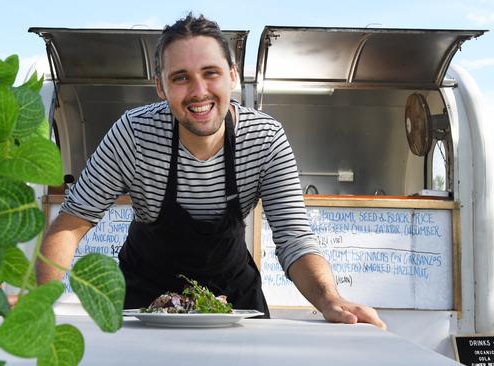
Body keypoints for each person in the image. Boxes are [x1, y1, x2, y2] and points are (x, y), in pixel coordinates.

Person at [36, 13, 385, 329]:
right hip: (143, 299)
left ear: (232, 76)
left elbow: (294, 239)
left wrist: (330, 299)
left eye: (210, 73)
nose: (199, 91)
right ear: (161, 87)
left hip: (233, 301)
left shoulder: (264, 138)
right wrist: (41, 304)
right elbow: (71, 223)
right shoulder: (134, 134)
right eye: (181, 78)